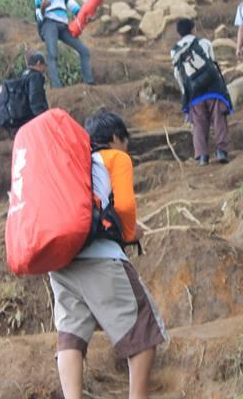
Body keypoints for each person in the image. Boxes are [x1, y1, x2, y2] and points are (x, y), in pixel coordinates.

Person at [50, 111, 167, 399]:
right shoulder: (116, 157)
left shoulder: (73, 162)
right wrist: (129, 234)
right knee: (143, 329)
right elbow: (125, 206)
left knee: (71, 335)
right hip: (99, 255)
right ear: (116, 138)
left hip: (60, 260)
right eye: (124, 142)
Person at [170, 18, 232, 166]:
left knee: (198, 123)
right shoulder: (204, 43)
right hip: (213, 88)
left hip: (194, 92)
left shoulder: (175, 50)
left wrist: (186, 91)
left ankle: (202, 156)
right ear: (193, 29)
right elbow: (212, 63)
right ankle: (221, 151)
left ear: (179, 33)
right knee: (219, 118)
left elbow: (178, 73)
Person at [33, 0, 95, 87]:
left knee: (84, 51)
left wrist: (84, 15)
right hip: (49, 24)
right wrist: (43, 8)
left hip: (63, 25)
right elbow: (39, 18)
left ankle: (89, 83)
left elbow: (72, 6)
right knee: (52, 54)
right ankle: (57, 86)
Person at [1, 51, 50, 137]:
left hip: (22, 120)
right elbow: (35, 100)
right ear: (38, 64)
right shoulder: (35, 76)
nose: (44, 69)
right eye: (44, 66)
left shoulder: (25, 75)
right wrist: (44, 119)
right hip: (32, 119)